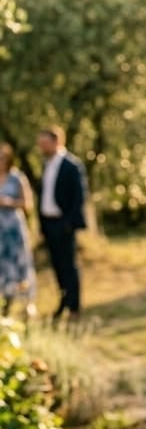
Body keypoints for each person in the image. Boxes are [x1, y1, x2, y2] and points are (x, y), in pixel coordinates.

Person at [37, 127, 88, 320]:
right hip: (48, 223)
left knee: (69, 266)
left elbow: (79, 197)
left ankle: (74, 306)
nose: (42, 147)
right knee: (57, 266)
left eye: (45, 143)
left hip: (63, 224)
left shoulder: (71, 165)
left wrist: (69, 223)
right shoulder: (46, 165)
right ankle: (63, 303)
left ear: (56, 141)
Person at [0, 143, 37, 318]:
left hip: (13, 227)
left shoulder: (17, 177)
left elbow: (28, 204)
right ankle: (5, 303)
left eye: (2, 158)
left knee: (20, 262)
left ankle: (27, 303)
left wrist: (9, 202)